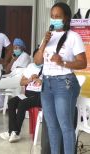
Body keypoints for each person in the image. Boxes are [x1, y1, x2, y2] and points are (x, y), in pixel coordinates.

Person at [34, 2, 87, 154]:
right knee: (51, 126)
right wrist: (44, 43)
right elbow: (37, 61)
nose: (54, 19)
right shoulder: (48, 37)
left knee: (66, 126)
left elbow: (82, 62)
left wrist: (62, 62)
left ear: (66, 18)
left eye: (58, 16)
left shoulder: (73, 36)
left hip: (64, 83)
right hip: (47, 84)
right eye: (52, 16)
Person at [0, 61, 42, 143]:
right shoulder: (31, 66)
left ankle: (15, 132)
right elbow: (21, 82)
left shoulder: (48, 68)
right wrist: (30, 79)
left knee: (23, 103)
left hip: (40, 96)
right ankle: (11, 132)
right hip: (28, 94)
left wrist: (38, 79)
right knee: (12, 102)